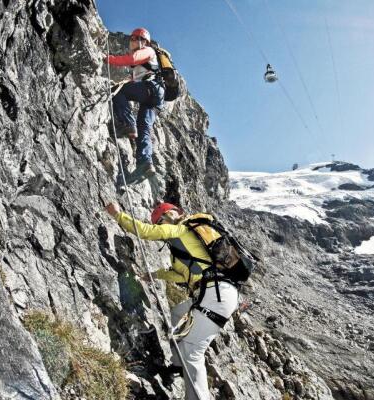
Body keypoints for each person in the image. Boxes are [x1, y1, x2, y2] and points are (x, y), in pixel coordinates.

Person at [105, 201, 239, 400]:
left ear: (174, 214)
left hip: (215, 294)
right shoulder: (188, 243)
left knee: (192, 353)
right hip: (216, 293)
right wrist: (154, 274)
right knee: (177, 313)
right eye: (159, 222)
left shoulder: (181, 230)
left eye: (162, 220)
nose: (161, 225)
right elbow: (180, 274)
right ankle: (177, 366)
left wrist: (118, 215)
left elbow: (146, 231)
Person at [105, 27, 164, 181]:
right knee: (144, 127)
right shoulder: (145, 60)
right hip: (155, 96)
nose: (131, 41)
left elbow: (131, 59)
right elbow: (136, 79)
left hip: (150, 90)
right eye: (131, 39)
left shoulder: (147, 51)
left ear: (142, 40)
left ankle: (127, 124)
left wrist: (108, 58)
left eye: (134, 38)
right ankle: (145, 163)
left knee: (118, 91)